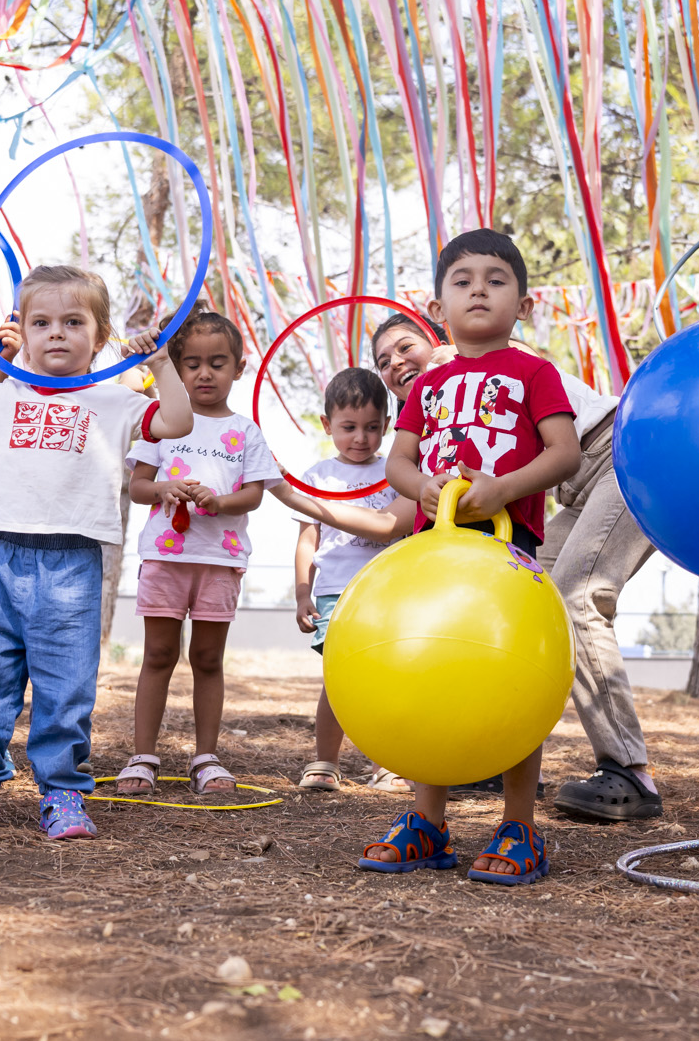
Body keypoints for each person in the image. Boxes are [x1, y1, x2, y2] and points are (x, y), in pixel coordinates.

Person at [0, 266, 190, 836]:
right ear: (24, 331)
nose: (56, 333)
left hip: (73, 562)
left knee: (65, 685)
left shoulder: (115, 399)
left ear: (100, 333)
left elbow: (179, 421)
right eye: (41, 323)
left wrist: (161, 364)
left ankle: (63, 793)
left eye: (72, 322)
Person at [376, 309, 665, 822]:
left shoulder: (479, 361)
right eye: (383, 361)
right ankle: (498, 744)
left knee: (577, 595)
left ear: (438, 336)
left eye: (405, 347)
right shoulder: (432, 400)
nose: (397, 362)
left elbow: (550, 442)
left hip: (624, 453)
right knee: (535, 606)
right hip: (575, 489)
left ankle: (628, 771)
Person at [362, 230, 583, 886]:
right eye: (463, 280)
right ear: (437, 305)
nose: (479, 289)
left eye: (496, 278)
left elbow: (564, 451)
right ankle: (426, 821)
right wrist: (422, 487)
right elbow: (398, 460)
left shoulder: (535, 372)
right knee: (431, 669)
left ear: (524, 302)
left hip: (507, 548)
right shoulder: (426, 383)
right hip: (432, 551)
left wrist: (502, 488)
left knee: (510, 677)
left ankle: (520, 825)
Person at [117, 310, 279, 796]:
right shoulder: (160, 424)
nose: (204, 374)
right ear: (176, 368)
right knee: (159, 654)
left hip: (221, 561)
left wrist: (220, 501)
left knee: (208, 659)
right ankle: (143, 754)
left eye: (217, 363)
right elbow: (138, 485)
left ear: (239, 368)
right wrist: (164, 486)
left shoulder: (247, 432)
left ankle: (205, 757)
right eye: (191, 364)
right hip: (166, 558)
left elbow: (255, 493)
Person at [271, 367, 420, 789]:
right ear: (327, 425)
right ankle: (325, 761)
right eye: (349, 427)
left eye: (372, 428)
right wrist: (303, 593)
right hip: (336, 593)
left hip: (385, 594)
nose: (361, 438)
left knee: (384, 680)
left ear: (388, 427)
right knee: (339, 680)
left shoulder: (394, 473)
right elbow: (307, 540)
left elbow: (404, 527)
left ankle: (385, 762)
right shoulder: (318, 477)